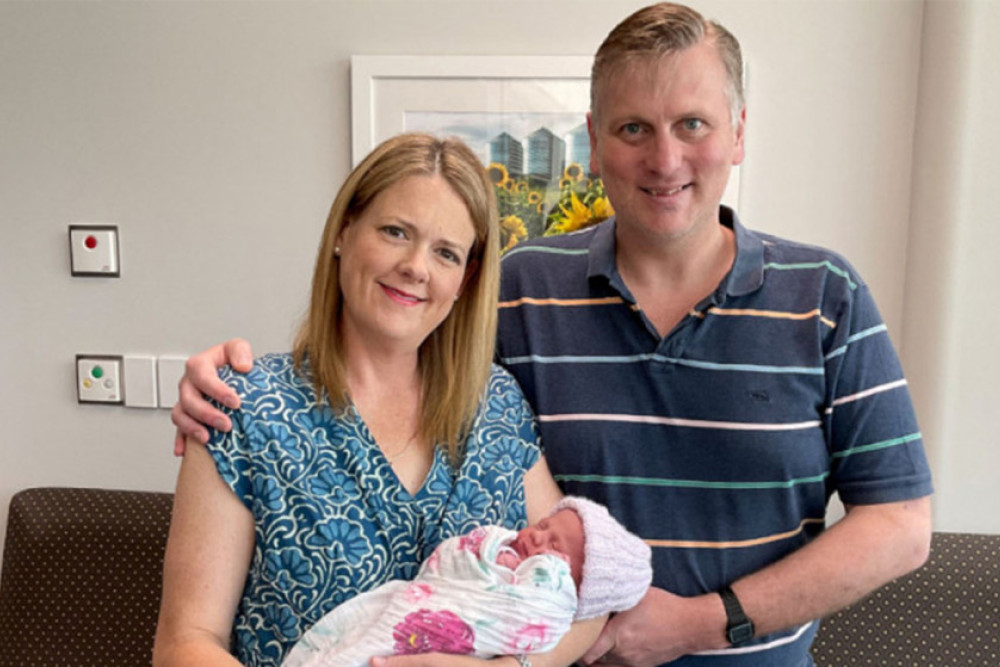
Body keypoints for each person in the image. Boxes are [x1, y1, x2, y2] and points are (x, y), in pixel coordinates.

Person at [171, 4, 934, 665]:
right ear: (595, 143)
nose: (664, 158)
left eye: (692, 124)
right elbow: (396, 341)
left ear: (736, 133)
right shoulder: (521, 288)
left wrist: (700, 623)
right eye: (634, 127)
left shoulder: (825, 296)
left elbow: (899, 526)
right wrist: (218, 377)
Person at [152, 133, 607, 667]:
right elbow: (185, 642)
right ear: (345, 231)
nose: (417, 266)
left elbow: (592, 597)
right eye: (396, 232)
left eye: (446, 252)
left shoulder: (496, 408)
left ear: (467, 278)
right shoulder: (243, 406)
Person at [282, 497, 652, 667]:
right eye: (542, 526)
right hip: (413, 606)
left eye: (555, 547)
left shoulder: (553, 600)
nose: (537, 539)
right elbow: (452, 559)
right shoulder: (505, 546)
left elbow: (554, 616)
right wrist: (492, 553)